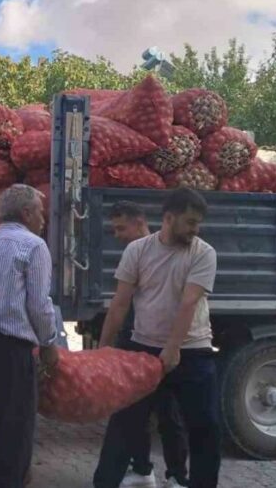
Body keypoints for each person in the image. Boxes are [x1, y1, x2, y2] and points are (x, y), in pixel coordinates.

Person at [93, 188, 221, 488]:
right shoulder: (137, 251)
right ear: (168, 218)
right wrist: (102, 351)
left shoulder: (204, 253)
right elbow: (120, 302)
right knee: (124, 425)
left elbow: (189, 302)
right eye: (190, 222)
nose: (195, 229)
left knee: (205, 428)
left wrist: (173, 349)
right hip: (142, 350)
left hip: (192, 352)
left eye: (198, 223)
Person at [0, 184, 60, 488]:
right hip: (8, 352)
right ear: (27, 213)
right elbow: (39, 304)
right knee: (14, 446)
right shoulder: (32, 245)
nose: (43, 220)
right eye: (41, 213)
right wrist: (49, 344)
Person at [108, 201, 189, 488]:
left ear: (140, 221)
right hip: (133, 341)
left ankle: (177, 476)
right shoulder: (134, 253)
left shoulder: (164, 252)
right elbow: (120, 304)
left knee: (168, 412)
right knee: (132, 411)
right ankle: (143, 470)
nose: (116, 235)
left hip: (158, 345)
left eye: (121, 227)